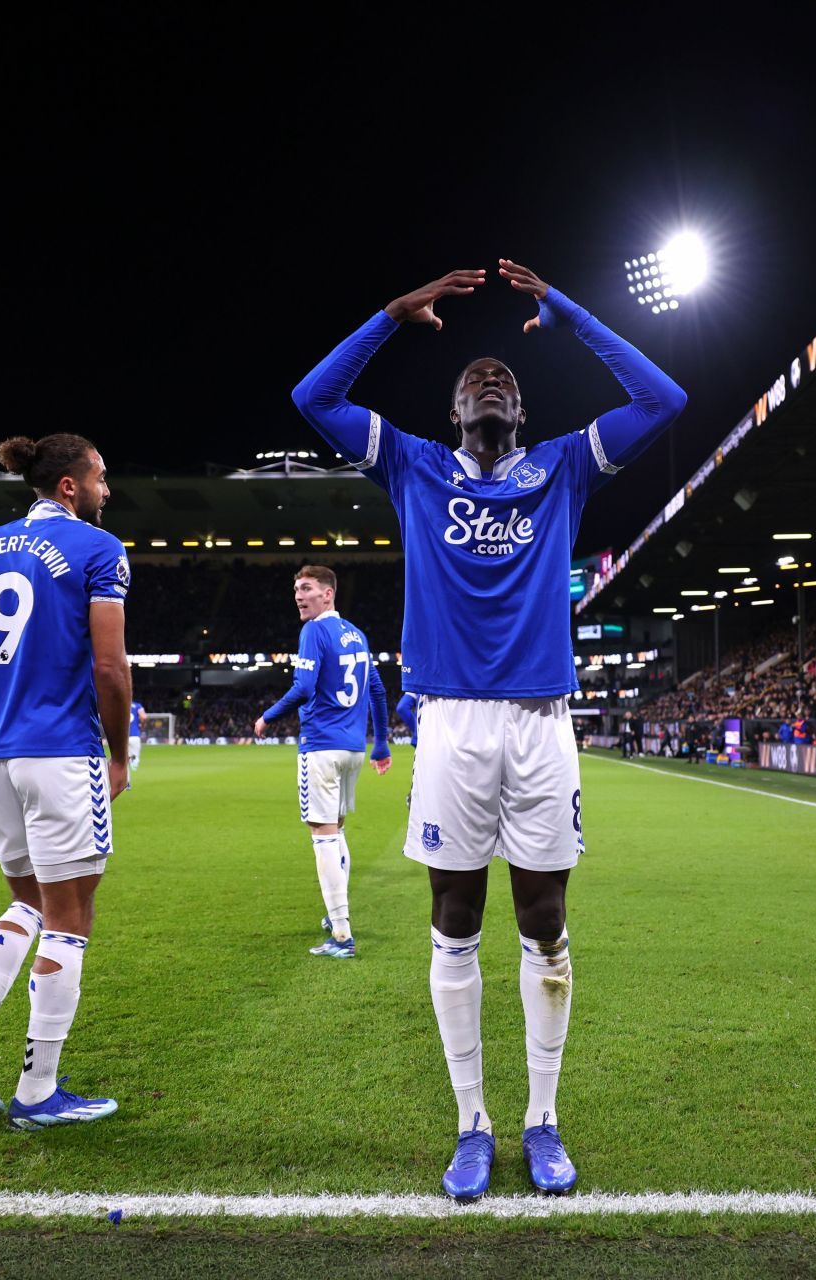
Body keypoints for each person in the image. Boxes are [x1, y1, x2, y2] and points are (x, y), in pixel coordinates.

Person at [291, 260, 686, 1200]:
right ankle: (472, 1123)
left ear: (522, 405)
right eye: (476, 379)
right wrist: (392, 313)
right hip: (453, 724)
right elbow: (314, 396)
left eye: (506, 376)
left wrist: (572, 314)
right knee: (455, 919)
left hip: (543, 722)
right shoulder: (413, 465)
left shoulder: (563, 466)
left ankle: (541, 1120)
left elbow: (663, 397)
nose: (492, 381)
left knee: (544, 922)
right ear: (453, 407)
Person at [0, 432, 130, 1132]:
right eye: (102, 477)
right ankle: (39, 1091)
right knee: (72, 912)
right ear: (70, 485)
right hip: (63, 751)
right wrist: (120, 753)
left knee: (30, 904)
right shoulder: (100, 550)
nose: (109, 489)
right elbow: (110, 669)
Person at [253, 565, 391, 959]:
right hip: (353, 750)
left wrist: (267, 716)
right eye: (296, 588)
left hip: (321, 746)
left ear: (328, 594)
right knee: (338, 831)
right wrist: (380, 743)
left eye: (307, 588)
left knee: (323, 836)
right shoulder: (357, 633)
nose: (299, 595)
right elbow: (378, 690)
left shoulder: (314, 631)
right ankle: (335, 919)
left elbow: (304, 687)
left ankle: (342, 934)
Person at [128, 696, 146, 774]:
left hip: (122, 737)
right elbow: (143, 717)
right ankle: (136, 776)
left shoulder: (120, 706)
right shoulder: (137, 706)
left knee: (123, 760)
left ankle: (125, 781)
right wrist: (142, 726)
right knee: (135, 759)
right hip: (134, 735)